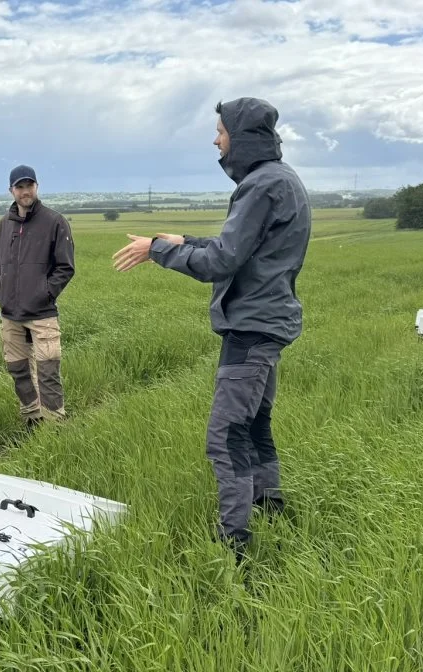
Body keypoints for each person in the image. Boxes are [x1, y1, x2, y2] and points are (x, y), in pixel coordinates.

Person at [112, 97, 311, 560]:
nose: (215, 140)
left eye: (220, 131)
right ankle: (271, 507)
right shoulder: (281, 181)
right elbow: (239, 247)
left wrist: (157, 251)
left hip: (251, 329)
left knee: (225, 438)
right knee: (255, 424)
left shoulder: (260, 186)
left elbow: (222, 260)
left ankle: (234, 544)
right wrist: (182, 241)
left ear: (240, 138)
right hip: (266, 324)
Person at [0, 164, 75, 427]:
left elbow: (65, 267)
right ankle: (32, 418)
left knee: (48, 372)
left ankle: (55, 427)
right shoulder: (4, 225)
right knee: (18, 370)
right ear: (11, 190)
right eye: (20, 187)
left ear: (37, 187)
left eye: (30, 185)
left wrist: (44, 294)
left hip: (41, 314)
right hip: (10, 314)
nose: (25, 191)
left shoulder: (54, 222)